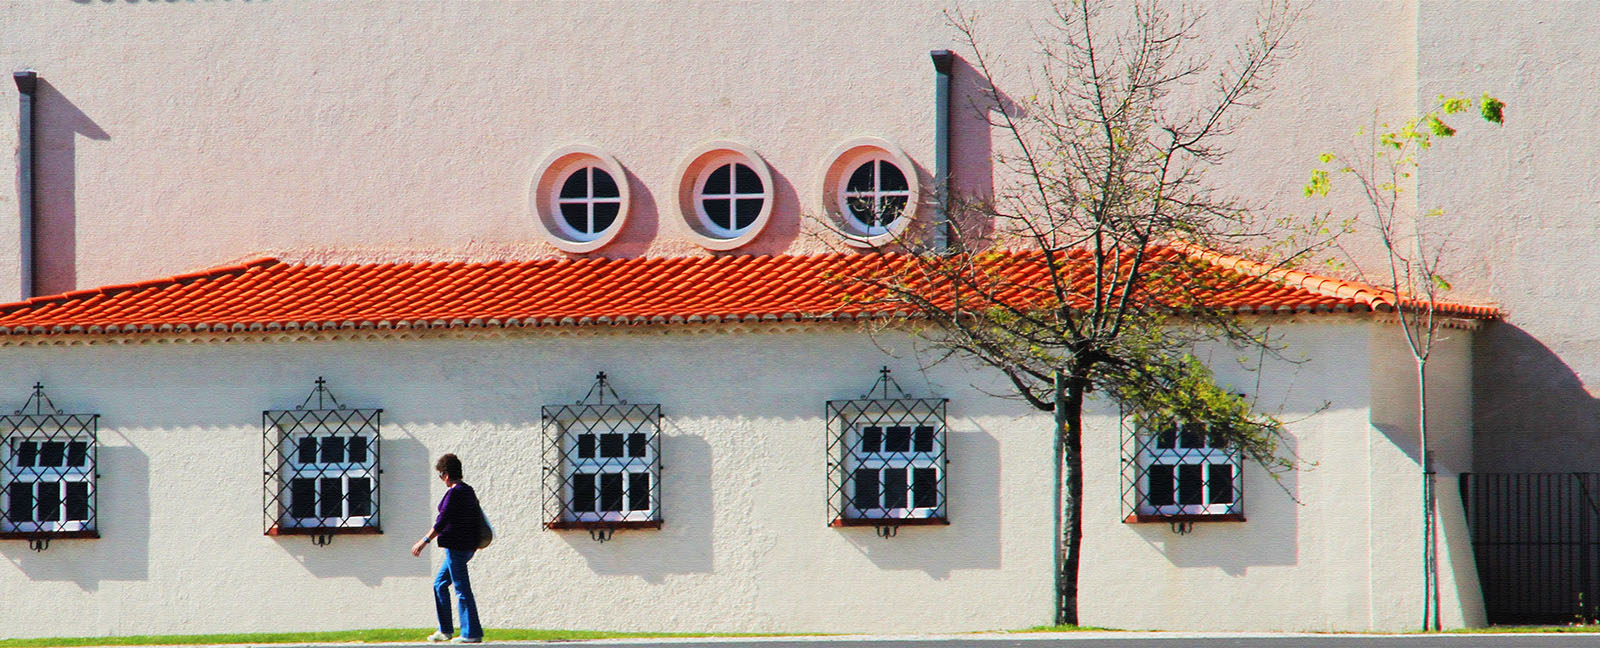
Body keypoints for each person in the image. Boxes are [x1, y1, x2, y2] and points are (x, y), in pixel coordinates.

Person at [411, 453, 484, 644]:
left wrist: (423, 541)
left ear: (445, 474)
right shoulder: (468, 490)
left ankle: (471, 633)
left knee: (461, 589)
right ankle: (445, 630)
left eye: (440, 475)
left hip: (456, 547)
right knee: (440, 584)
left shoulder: (455, 493)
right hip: (465, 546)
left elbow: (441, 521)